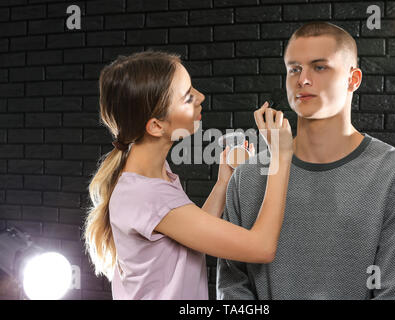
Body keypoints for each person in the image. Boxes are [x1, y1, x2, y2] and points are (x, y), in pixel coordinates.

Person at [216, 21, 395, 300]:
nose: (302, 79)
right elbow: (232, 286)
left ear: (353, 79)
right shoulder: (247, 176)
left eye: (319, 67)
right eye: (294, 69)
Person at [83, 50, 294, 300]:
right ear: (156, 126)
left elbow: (189, 234)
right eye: (187, 97)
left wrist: (222, 183)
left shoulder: (152, 174)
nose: (201, 97)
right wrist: (281, 157)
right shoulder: (148, 195)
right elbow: (262, 247)